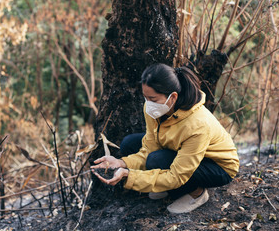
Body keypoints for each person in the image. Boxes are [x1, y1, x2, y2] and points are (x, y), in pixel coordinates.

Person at [91, 63, 239, 214]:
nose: (148, 104)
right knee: (130, 143)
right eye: (146, 98)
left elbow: (176, 176)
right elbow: (149, 147)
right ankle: (165, 185)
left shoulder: (198, 124)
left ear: (173, 97)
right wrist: (121, 162)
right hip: (182, 150)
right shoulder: (153, 108)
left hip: (218, 166)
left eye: (153, 99)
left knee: (157, 160)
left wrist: (130, 175)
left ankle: (197, 193)